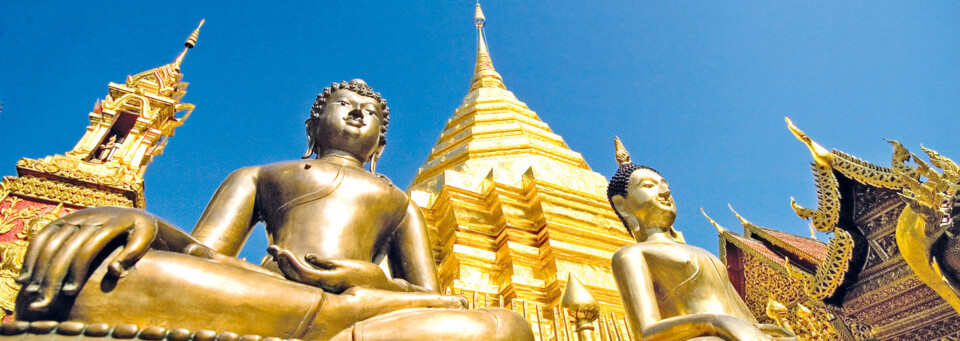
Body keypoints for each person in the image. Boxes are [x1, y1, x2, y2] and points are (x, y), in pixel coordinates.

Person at [14, 80, 534, 341]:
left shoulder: (399, 201)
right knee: (105, 277)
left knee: (504, 326)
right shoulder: (260, 175)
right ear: (313, 124)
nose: (357, 113)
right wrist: (146, 223)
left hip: (365, 307)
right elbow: (205, 252)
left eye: (371, 112)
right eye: (344, 105)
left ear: (380, 138)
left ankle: (339, 319)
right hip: (266, 292)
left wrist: (369, 280)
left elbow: (426, 296)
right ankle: (331, 323)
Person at [606, 137, 794, 341]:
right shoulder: (631, 255)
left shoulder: (706, 254)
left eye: (665, 184)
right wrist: (715, 322)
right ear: (622, 205)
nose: (665, 191)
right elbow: (645, 332)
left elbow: (746, 321)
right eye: (649, 186)